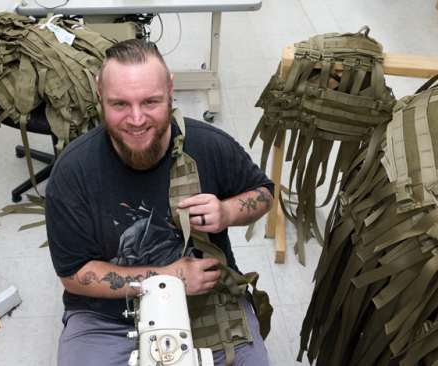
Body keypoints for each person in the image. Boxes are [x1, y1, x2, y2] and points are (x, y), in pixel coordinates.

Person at [45, 39, 274, 366]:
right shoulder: (73, 173)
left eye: (150, 101)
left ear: (169, 89)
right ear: (100, 92)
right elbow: (74, 273)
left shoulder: (209, 146)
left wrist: (227, 211)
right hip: (108, 317)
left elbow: (264, 193)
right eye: (120, 104)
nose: (136, 119)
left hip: (206, 302)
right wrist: (167, 278)